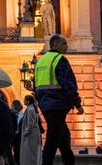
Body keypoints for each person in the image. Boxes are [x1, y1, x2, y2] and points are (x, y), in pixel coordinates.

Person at [34, 34, 83, 165]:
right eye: (64, 44)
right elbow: (68, 84)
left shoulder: (40, 61)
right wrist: (77, 104)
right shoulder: (59, 59)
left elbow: (35, 86)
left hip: (45, 105)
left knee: (63, 137)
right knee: (53, 138)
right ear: (55, 45)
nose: (66, 46)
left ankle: (69, 161)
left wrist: (41, 102)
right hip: (58, 104)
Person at [19, 96, 42, 165]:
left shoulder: (30, 110)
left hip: (30, 135)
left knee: (29, 153)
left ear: (28, 101)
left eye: (24, 100)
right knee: (32, 153)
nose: (23, 101)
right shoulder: (32, 109)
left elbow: (30, 124)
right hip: (32, 134)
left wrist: (25, 133)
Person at [10, 100, 23, 165]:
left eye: (12, 105)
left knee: (17, 150)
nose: (11, 106)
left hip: (18, 135)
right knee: (13, 150)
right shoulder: (13, 114)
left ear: (15, 106)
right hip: (14, 134)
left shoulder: (22, 114)